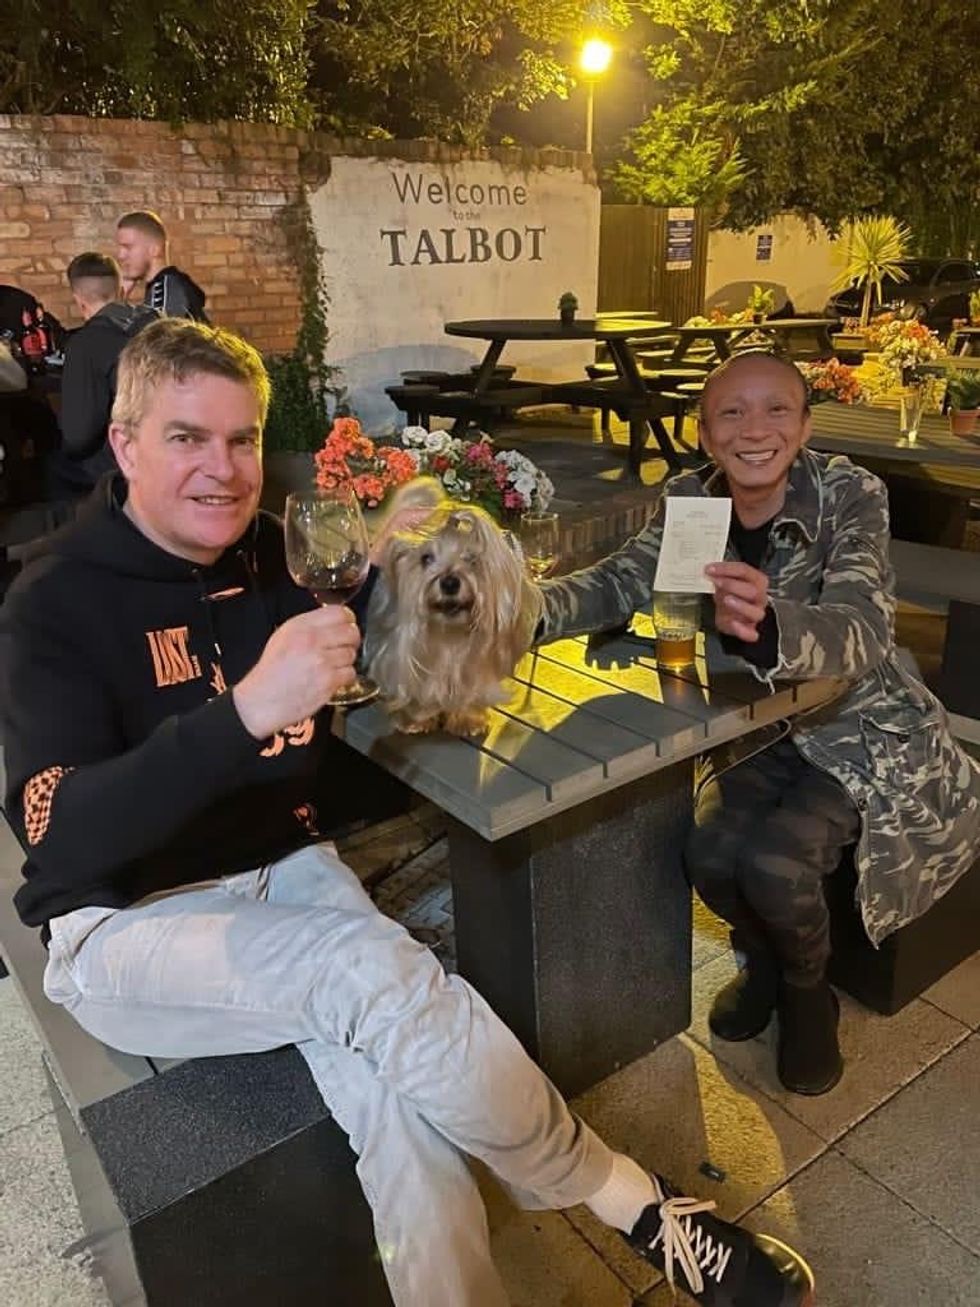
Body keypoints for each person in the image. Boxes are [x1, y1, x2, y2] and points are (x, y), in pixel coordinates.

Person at [1, 319, 813, 1307]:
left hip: (283, 866)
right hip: (123, 919)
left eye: (241, 438)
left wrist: (405, 567)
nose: (222, 467)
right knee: (376, 970)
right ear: (126, 444)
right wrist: (244, 712)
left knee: (401, 1101)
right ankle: (635, 1204)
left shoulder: (276, 553)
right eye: (187, 437)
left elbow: (376, 631)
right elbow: (58, 836)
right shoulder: (51, 598)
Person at [538, 350, 980, 1097]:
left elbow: (864, 627)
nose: (754, 429)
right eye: (732, 413)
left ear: (804, 426)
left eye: (777, 409)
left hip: (859, 731)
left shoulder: (849, 493)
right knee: (709, 855)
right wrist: (519, 608)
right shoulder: (692, 500)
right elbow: (621, 580)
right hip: (753, 726)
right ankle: (766, 963)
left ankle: (808, 994)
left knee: (777, 863)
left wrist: (772, 626)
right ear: (706, 433)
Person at [49, 253, 158, 495]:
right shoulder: (159, 324)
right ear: (121, 291)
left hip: (123, 466)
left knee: (54, 465)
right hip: (169, 445)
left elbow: (78, 438)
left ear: (79, 301)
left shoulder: (85, 344)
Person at [115, 210, 209, 322]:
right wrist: (121, 299)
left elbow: (157, 333)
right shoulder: (166, 285)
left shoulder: (166, 290)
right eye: (120, 248)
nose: (120, 255)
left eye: (128, 247)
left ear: (155, 249)